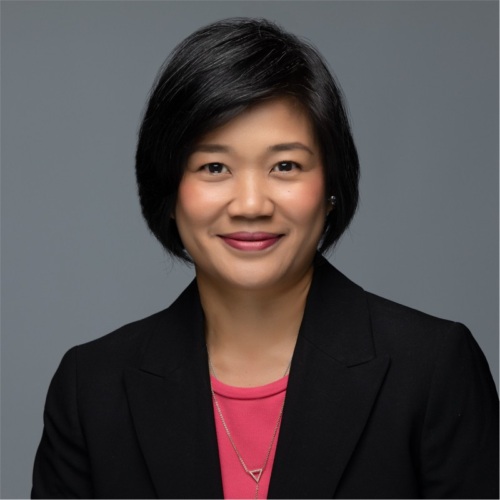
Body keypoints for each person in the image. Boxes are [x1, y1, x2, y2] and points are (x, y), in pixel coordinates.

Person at [32, 17, 498, 499]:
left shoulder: (432, 369)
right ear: (170, 193)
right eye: (214, 167)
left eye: (285, 166)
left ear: (331, 188)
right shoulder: (91, 388)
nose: (251, 204)